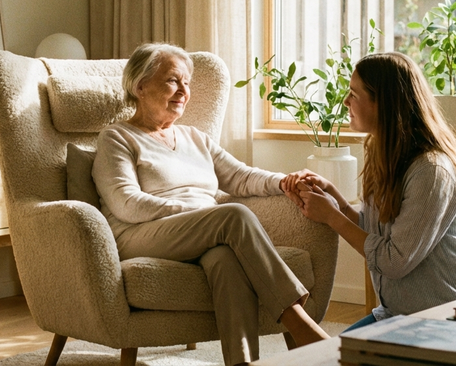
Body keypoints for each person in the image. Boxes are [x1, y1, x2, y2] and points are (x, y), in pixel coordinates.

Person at [91, 42, 330, 366]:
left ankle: (242, 362)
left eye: (187, 83)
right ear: (140, 85)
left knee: (224, 258)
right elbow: (127, 204)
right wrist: (205, 215)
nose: (183, 91)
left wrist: (284, 181)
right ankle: (297, 321)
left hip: (204, 232)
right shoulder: (117, 138)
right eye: (173, 80)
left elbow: (241, 177)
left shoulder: (195, 138)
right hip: (140, 234)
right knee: (231, 216)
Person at [283, 51, 456, 331]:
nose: (345, 101)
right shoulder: (382, 152)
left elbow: (394, 260)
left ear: (382, 103)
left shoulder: (432, 171)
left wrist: (332, 217)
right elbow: (377, 233)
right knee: (328, 356)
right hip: (400, 312)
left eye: (354, 94)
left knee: (332, 357)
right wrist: (334, 199)